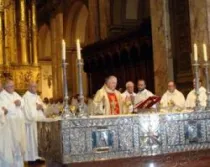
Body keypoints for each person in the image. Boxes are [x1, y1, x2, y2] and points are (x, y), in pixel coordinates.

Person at [0, 79, 26, 167]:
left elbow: (22, 102)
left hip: (18, 125)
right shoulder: (2, 96)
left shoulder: (15, 94)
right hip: (9, 126)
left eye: (13, 86)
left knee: (18, 146)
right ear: (5, 87)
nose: (13, 88)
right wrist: (14, 104)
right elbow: (4, 110)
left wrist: (19, 103)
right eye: (11, 86)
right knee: (10, 147)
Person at [22, 81, 46, 162]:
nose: (35, 88)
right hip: (32, 124)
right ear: (28, 87)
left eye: (36, 86)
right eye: (33, 86)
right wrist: (36, 108)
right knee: (32, 140)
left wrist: (42, 107)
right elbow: (26, 111)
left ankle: (40, 156)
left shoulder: (37, 97)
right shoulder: (26, 97)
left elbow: (44, 107)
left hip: (40, 122)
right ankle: (32, 157)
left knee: (40, 139)